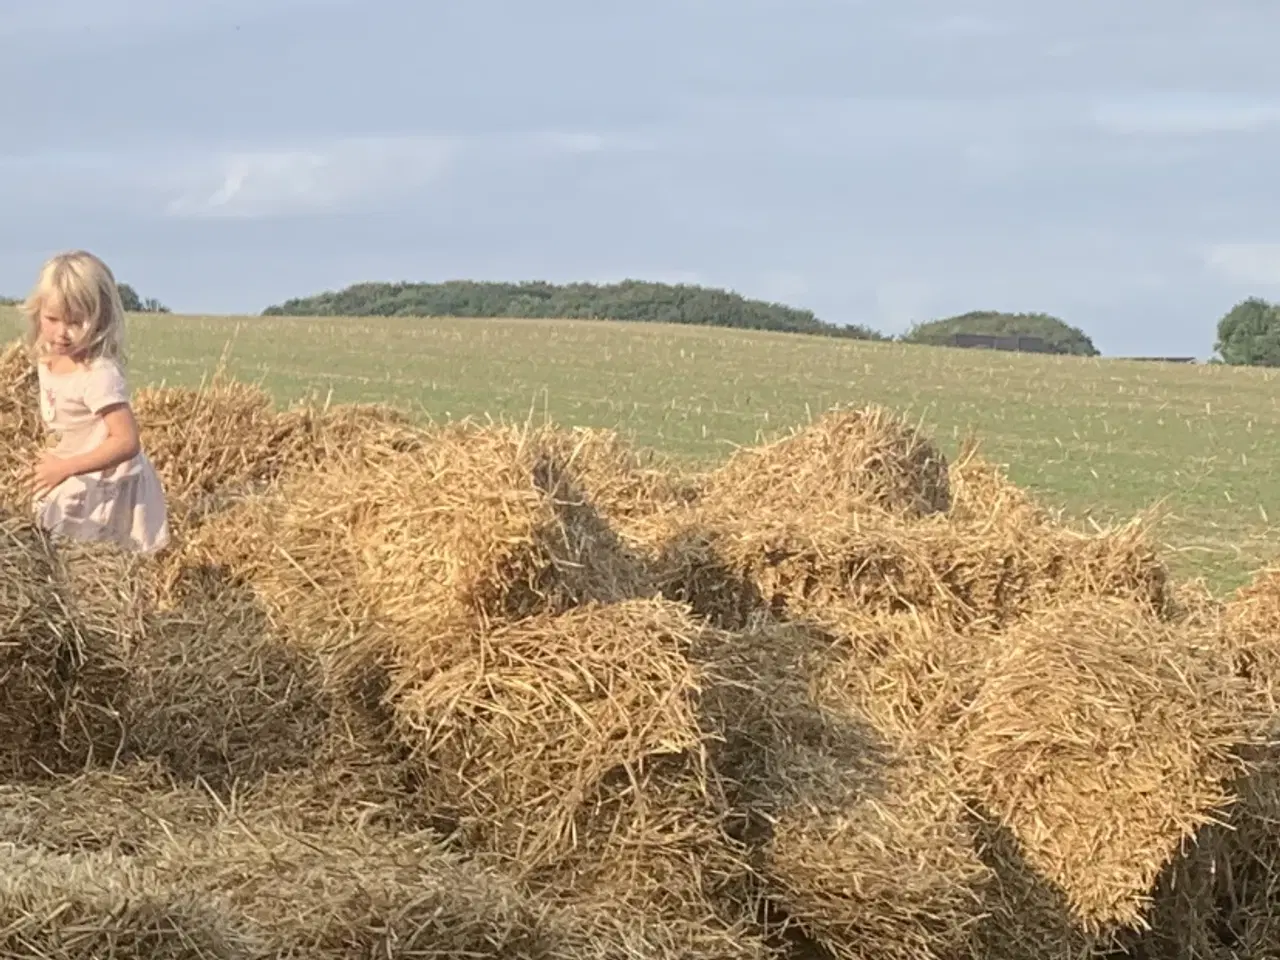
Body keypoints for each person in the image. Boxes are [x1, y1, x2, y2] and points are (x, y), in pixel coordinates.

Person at [20, 250, 170, 555]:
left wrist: (66, 467)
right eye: (52, 319)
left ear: (100, 319)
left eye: (76, 322)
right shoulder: (48, 357)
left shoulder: (97, 374)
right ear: (38, 312)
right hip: (71, 468)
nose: (62, 332)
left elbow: (127, 441)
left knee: (82, 556)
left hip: (104, 481)